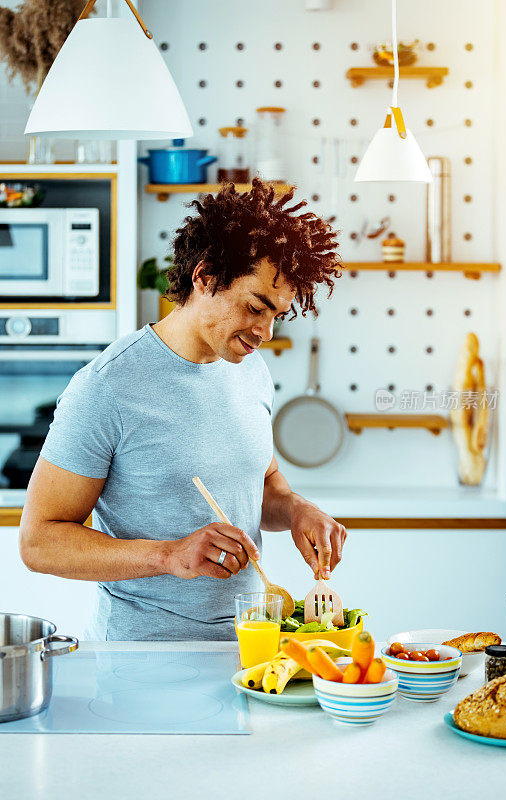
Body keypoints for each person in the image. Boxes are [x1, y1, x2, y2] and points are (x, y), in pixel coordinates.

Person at [19, 179, 347, 640]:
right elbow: (39, 541)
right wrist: (169, 555)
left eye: (276, 315)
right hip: (143, 660)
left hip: (248, 645)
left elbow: (264, 485)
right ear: (206, 276)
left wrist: (295, 510)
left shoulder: (250, 371)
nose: (265, 332)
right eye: (256, 307)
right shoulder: (107, 387)